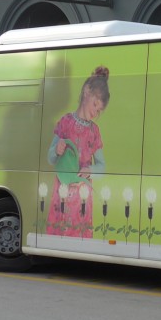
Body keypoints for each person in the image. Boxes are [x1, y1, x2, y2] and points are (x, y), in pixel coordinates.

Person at [46, 66, 109, 239]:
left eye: (99, 111)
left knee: (79, 240)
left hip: (82, 199)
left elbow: (102, 168)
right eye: (95, 105)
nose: (95, 112)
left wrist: (90, 171)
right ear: (87, 91)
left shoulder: (94, 131)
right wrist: (57, 150)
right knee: (58, 238)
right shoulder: (65, 122)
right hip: (62, 196)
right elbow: (50, 158)